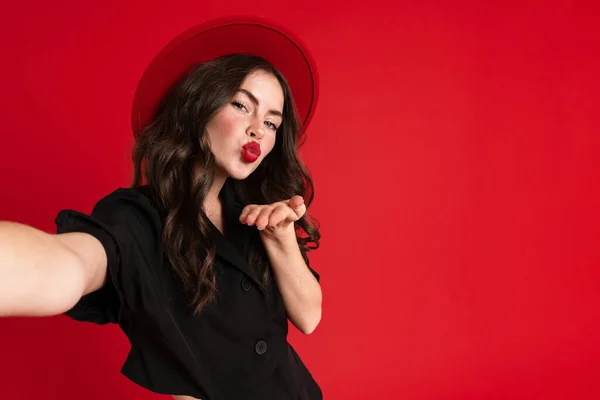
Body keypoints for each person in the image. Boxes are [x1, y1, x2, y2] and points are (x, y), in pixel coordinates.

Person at [0, 16, 323, 400]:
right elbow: (68, 263)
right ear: (198, 107)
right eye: (241, 105)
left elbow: (308, 318)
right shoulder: (138, 218)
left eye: (272, 123)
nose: (258, 129)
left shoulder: (257, 211)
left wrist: (280, 238)